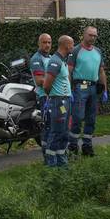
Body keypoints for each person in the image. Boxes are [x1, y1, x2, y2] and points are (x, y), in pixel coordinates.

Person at [68, 25, 107, 157]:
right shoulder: (76, 50)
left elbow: (101, 71)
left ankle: (87, 146)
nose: (92, 38)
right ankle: (72, 146)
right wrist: (69, 90)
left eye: (95, 35)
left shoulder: (98, 51)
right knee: (78, 117)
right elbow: (69, 71)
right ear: (84, 35)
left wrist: (105, 89)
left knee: (91, 118)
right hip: (80, 88)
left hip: (93, 88)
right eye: (90, 35)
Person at [41, 35, 74, 168]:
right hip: (58, 101)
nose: (73, 47)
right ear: (66, 45)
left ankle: (61, 160)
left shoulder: (63, 60)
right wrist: (52, 97)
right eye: (72, 44)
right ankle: (51, 162)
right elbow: (46, 85)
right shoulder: (55, 61)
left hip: (65, 101)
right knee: (56, 132)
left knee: (64, 131)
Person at [29, 33, 52, 164]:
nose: (47, 45)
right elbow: (39, 81)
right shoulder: (36, 59)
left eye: (49, 42)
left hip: (52, 96)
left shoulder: (51, 57)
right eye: (44, 42)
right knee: (47, 127)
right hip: (44, 97)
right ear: (39, 43)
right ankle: (47, 157)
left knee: (53, 126)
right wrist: (58, 84)